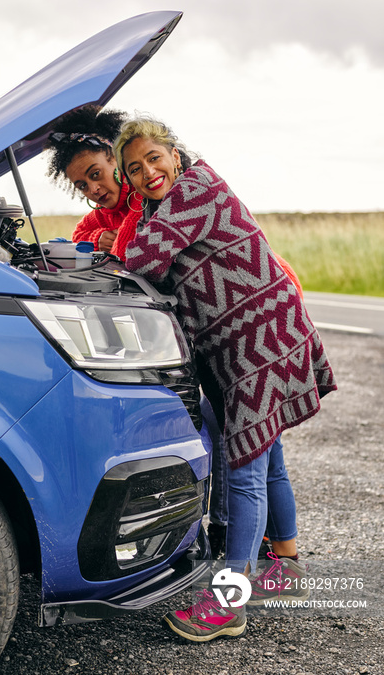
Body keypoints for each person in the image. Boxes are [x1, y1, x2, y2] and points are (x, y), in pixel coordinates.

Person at [114, 116, 337, 642]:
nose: (148, 173)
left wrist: (122, 246)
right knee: (268, 455)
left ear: (175, 153)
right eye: (135, 169)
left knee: (244, 469)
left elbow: (142, 258)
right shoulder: (165, 206)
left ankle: (229, 601)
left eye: (154, 158)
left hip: (260, 344)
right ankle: (284, 566)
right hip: (261, 336)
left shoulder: (196, 191)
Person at [44, 105, 143, 261]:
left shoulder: (143, 196)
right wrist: (98, 239)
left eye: (95, 174)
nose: (93, 189)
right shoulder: (101, 212)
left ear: (118, 158)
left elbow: (123, 253)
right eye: (82, 186)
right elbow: (78, 235)